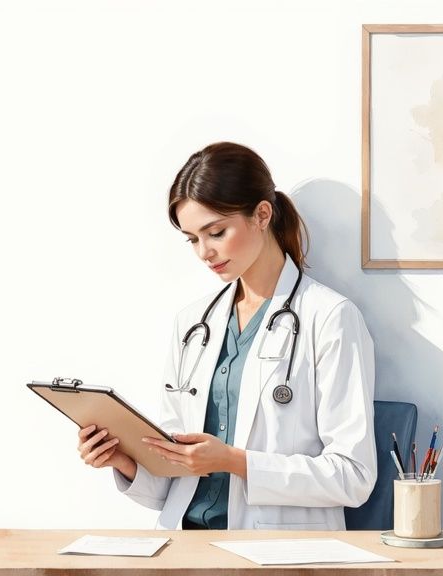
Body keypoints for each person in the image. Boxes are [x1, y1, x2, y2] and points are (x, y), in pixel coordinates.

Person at [77, 141, 377, 530]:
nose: (204, 252)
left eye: (216, 232)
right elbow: (174, 480)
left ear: (262, 215)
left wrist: (234, 461)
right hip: (185, 545)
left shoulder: (330, 318)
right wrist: (125, 461)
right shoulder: (192, 325)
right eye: (192, 239)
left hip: (277, 551)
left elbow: (353, 477)